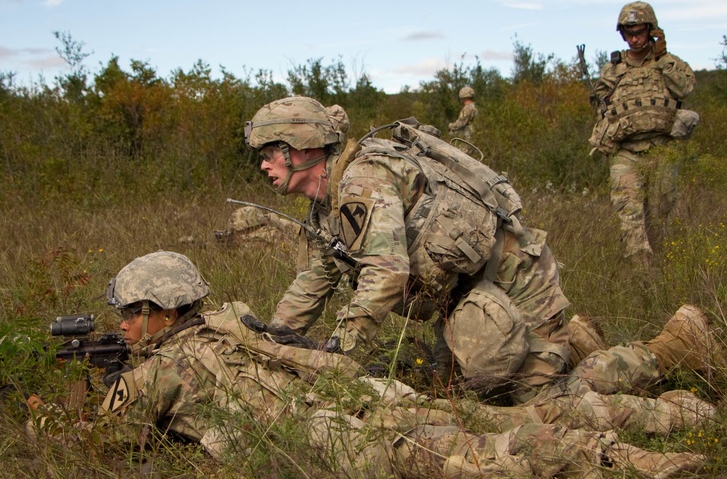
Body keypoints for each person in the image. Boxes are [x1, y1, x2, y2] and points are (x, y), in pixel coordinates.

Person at [28, 251, 710, 479]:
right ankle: (681, 411)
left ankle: (622, 464)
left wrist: (45, 418)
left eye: (127, 313)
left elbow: (100, 438)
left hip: (335, 438)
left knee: (483, 455)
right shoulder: (230, 321)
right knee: (515, 414)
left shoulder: (162, 370)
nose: (120, 325)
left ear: (158, 311)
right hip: (367, 394)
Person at [241, 96, 724, 404]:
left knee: (540, 405)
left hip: (515, 285)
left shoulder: (362, 180)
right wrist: (274, 341)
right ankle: (570, 342)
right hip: (473, 304)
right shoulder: (326, 210)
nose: (263, 165)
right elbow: (313, 282)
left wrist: (336, 356)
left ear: (300, 146)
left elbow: (385, 275)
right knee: (457, 394)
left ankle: (672, 348)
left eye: (268, 152)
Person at [589, 1, 699, 262]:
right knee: (630, 217)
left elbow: (684, 90)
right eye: (629, 33)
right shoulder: (612, 70)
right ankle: (642, 277)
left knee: (662, 212)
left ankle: (665, 269)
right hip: (625, 153)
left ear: (652, 31)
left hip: (663, 150)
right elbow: (599, 106)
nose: (635, 39)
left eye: (639, 32)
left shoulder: (668, 63)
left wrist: (663, 59)